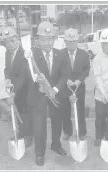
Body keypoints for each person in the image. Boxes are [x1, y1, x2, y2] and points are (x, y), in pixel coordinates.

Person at [26, 21, 70, 166]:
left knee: (57, 122)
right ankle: (40, 153)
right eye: (43, 39)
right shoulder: (31, 54)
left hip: (56, 96)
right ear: (38, 40)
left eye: (49, 38)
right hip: (38, 97)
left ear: (54, 39)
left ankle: (56, 145)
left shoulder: (61, 54)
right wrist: (36, 82)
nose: (46, 42)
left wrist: (55, 89)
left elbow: (65, 75)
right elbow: (27, 73)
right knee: (39, 126)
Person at [2, 27, 33, 148]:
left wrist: (14, 91)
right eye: (6, 42)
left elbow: (25, 75)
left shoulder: (25, 52)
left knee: (26, 113)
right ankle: (21, 132)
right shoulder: (7, 53)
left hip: (26, 89)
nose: (9, 44)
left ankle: (29, 135)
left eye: (12, 41)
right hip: (14, 89)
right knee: (18, 111)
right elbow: (7, 69)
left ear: (17, 39)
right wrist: (7, 78)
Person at [60, 28, 90, 142]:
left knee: (80, 111)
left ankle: (82, 132)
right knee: (65, 112)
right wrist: (66, 80)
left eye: (73, 41)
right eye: (69, 42)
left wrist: (79, 80)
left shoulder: (84, 54)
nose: (71, 44)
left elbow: (87, 70)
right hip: (65, 87)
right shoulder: (60, 54)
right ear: (65, 42)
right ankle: (67, 131)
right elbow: (58, 70)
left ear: (77, 41)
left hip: (79, 87)